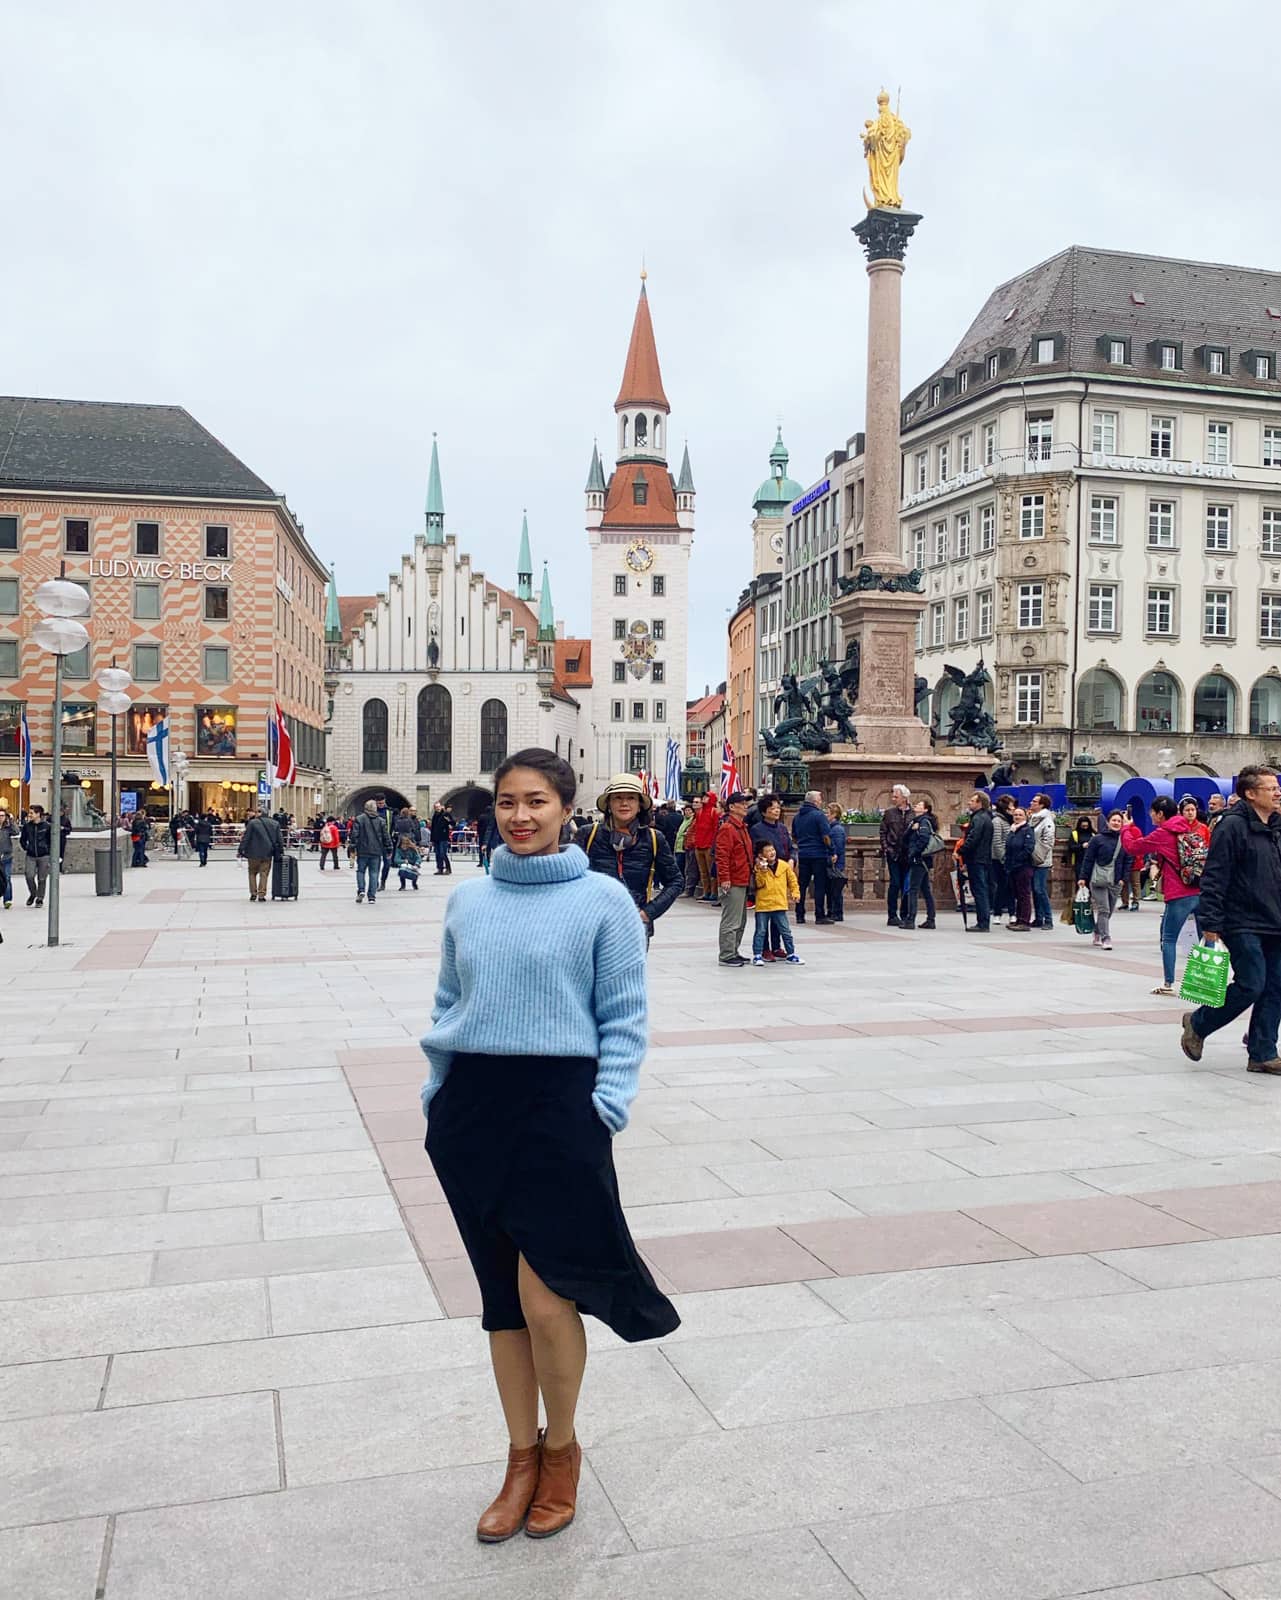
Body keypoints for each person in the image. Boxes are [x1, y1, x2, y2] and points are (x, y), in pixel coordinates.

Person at [421, 746, 678, 1543]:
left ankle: (560, 1451)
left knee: (547, 1292)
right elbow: (448, 996)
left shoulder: (603, 900)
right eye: (506, 802)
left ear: (568, 809)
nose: (519, 816)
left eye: (535, 801)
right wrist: (437, 1091)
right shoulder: (467, 900)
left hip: (561, 1107)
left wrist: (603, 1106)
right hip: (473, 1109)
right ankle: (518, 1457)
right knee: (503, 1301)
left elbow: (625, 1013)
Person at [1180, 766, 1281, 1074]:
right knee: (1251, 984)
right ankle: (1199, 1022)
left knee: (1275, 986)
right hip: (1242, 920)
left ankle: (1262, 1052)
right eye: (1271, 788)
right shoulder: (1232, 826)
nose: (1278, 793)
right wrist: (1211, 924)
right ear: (1250, 794)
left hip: (1275, 919)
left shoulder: (1276, 826)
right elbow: (1215, 876)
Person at [575, 774, 681, 945]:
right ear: (609, 804)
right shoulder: (588, 834)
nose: (624, 803)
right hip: (592, 926)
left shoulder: (653, 838)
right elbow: (568, 878)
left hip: (634, 925)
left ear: (639, 805)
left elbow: (676, 881)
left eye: (631, 798)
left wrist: (648, 913)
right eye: (618, 798)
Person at [1121, 795, 1203, 996]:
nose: (1150, 815)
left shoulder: (1164, 833)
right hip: (1200, 890)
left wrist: (1126, 828)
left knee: (1169, 939)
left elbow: (1132, 847)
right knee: (1205, 936)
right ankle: (1205, 980)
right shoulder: (1189, 829)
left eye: (1152, 812)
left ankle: (1168, 983)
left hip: (1179, 893)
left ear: (1159, 814)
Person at [1079, 808, 1130, 951]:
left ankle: (1097, 930)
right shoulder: (1097, 839)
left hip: (1116, 880)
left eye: (1119, 821)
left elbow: (1128, 860)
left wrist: (1124, 879)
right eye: (1113, 820)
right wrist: (1083, 877)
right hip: (1098, 879)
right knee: (1104, 909)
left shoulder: (1125, 839)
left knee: (1109, 911)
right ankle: (1106, 937)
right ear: (1108, 822)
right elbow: (1088, 859)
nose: (1116, 823)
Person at [750, 794, 793, 957]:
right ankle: (764, 948)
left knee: (778, 910)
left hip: (781, 872)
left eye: (777, 808)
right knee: (765, 914)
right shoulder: (757, 829)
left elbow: (790, 846)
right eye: (772, 808)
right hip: (765, 872)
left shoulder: (782, 828)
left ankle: (777, 946)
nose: (776, 811)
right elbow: (754, 851)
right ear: (764, 812)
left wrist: (792, 859)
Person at [715, 791, 754, 965]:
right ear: (731, 807)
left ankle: (733, 950)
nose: (745, 806)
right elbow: (722, 855)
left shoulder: (741, 827)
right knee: (731, 919)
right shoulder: (728, 828)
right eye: (741, 803)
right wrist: (724, 878)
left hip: (742, 877)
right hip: (734, 879)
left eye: (746, 803)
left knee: (740, 919)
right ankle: (726, 954)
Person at [751, 839, 802, 965]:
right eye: (768, 851)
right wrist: (762, 871)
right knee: (761, 931)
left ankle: (791, 954)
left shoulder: (784, 866)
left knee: (785, 931)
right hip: (763, 905)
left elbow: (792, 881)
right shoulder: (759, 868)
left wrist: (795, 893)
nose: (772, 853)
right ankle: (757, 954)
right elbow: (759, 884)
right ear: (761, 855)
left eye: (772, 850)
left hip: (779, 904)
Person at [792, 789, 832, 926]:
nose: (821, 802)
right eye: (820, 800)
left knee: (802, 885)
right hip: (818, 854)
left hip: (803, 854)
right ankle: (819, 915)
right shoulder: (819, 815)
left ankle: (799, 914)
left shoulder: (797, 816)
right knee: (819, 886)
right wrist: (831, 850)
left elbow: (794, 836)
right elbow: (826, 836)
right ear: (815, 802)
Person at [902, 797, 942, 930]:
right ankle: (931, 919)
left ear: (925, 809)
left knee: (913, 889)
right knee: (925, 890)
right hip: (923, 860)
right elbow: (905, 837)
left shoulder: (923, 821)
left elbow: (923, 839)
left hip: (919, 860)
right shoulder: (917, 821)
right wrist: (912, 829)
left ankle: (910, 919)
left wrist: (914, 852)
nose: (916, 805)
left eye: (919, 804)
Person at [958, 790, 993, 932]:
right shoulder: (985, 817)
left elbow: (973, 838)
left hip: (977, 859)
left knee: (979, 890)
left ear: (979, 803)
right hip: (983, 858)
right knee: (981, 889)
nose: (969, 803)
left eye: (972, 801)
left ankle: (983, 922)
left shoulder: (979, 819)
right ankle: (983, 921)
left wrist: (961, 851)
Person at [879, 783, 912, 927]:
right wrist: (886, 848)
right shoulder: (890, 813)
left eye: (896, 796)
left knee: (906, 885)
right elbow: (883, 832)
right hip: (893, 853)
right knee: (895, 883)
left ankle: (905, 913)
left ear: (904, 798)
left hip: (908, 854)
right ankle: (892, 915)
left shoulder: (913, 814)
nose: (893, 799)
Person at [237, 807, 282, 903]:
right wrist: (280, 851)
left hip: (253, 853)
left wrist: (241, 849)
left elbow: (246, 837)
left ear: (260, 813)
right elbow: (279, 839)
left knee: (252, 873)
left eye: (257, 812)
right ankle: (261, 894)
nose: (255, 813)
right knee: (264, 873)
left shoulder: (252, 823)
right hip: (268, 853)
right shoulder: (275, 823)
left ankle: (253, 893)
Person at [350, 799, 391, 905]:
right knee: (374, 873)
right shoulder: (381, 820)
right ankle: (372, 896)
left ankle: (361, 890)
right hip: (376, 851)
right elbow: (386, 836)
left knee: (360, 871)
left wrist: (352, 847)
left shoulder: (359, 819)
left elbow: (355, 835)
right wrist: (389, 848)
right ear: (375, 808)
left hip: (362, 850)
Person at [1005, 805, 1036, 930]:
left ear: (1025, 817)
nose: (1017, 817)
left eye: (1020, 815)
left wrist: (1018, 860)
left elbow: (1028, 848)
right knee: (1017, 894)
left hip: (1023, 867)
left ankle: (1024, 921)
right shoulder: (1012, 830)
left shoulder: (1028, 830)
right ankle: (1018, 919)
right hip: (1012, 867)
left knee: (1024, 894)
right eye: (1015, 815)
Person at [1028, 793, 1057, 929]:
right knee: (1035, 889)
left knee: (1040, 889)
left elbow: (1048, 841)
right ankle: (1039, 918)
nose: (1031, 803)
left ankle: (1048, 919)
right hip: (1032, 859)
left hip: (1041, 860)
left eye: (1034, 801)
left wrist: (1039, 855)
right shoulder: (1033, 818)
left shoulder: (1047, 820)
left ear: (1041, 805)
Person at [689, 788, 720, 902]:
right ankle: (706, 891)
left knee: (710, 871)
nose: (704, 798)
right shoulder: (700, 812)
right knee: (703, 871)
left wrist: (713, 844)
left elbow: (716, 829)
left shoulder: (713, 812)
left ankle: (713, 892)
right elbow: (697, 828)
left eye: (706, 797)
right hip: (699, 845)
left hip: (708, 846)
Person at [20, 806, 51, 908]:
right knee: (29, 875)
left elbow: (51, 841)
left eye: (32, 813)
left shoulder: (46, 826)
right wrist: (27, 847)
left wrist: (48, 852)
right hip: (31, 855)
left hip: (44, 855)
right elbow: (22, 839)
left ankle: (40, 898)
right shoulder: (27, 826)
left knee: (42, 879)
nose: (29, 815)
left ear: (38, 814)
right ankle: (33, 893)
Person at [990, 794, 1015, 922]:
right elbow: (997, 842)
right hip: (1000, 860)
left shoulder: (1011, 821)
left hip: (1010, 859)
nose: (1013, 809)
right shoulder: (997, 821)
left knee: (1010, 886)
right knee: (1002, 886)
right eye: (1011, 806)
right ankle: (997, 912)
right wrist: (1004, 859)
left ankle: (1012, 912)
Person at [825, 803, 847, 923]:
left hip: (836, 864)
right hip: (834, 863)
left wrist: (833, 856)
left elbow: (837, 848)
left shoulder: (836, 829)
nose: (825, 815)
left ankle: (836, 912)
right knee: (831, 889)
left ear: (834, 815)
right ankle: (832, 911)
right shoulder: (832, 828)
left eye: (827, 813)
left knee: (835, 889)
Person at [429, 802, 454, 876]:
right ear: (434, 808)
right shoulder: (434, 816)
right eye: (436, 807)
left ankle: (448, 868)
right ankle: (440, 868)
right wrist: (432, 839)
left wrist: (449, 821)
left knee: (443, 853)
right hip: (436, 838)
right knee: (437, 854)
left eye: (439, 806)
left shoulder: (446, 814)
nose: (438, 808)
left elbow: (453, 823)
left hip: (443, 837)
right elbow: (432, 828)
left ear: (441, 807)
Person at [674, 803, 695, 886]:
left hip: (684, 847)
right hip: (678, 847)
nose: (687, 812)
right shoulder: (684, 820)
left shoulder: (691, 820)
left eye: (689, 810)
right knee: (680, 867)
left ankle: (683, 886)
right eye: (686, 810)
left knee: (683, 868)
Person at [0, 807, 15, 908]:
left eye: (2, 816)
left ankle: (8, 900)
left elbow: (16, 831)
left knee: (7, 877)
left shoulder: (8, 827)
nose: (0, 818)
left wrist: (12, 821)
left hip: (6, 857)